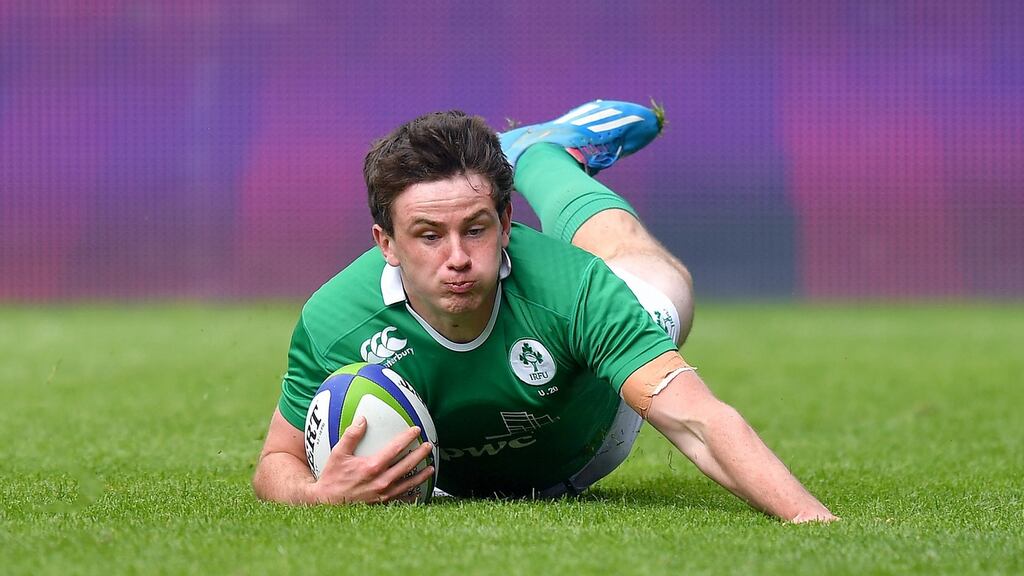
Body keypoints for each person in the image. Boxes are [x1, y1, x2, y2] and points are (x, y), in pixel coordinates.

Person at [251, 99, 837, 522]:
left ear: (507, 224)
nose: (457, 258)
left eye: (476, 229)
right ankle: (543, 149)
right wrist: (316, 495)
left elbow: (699, 423)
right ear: (386, 242)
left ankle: (544, 157)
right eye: (428, 235)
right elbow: (276, 461)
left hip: (594, 436)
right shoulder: (335, 322)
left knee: (661, 285)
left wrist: (815, 524)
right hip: (461, 484)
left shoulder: (572, 291)